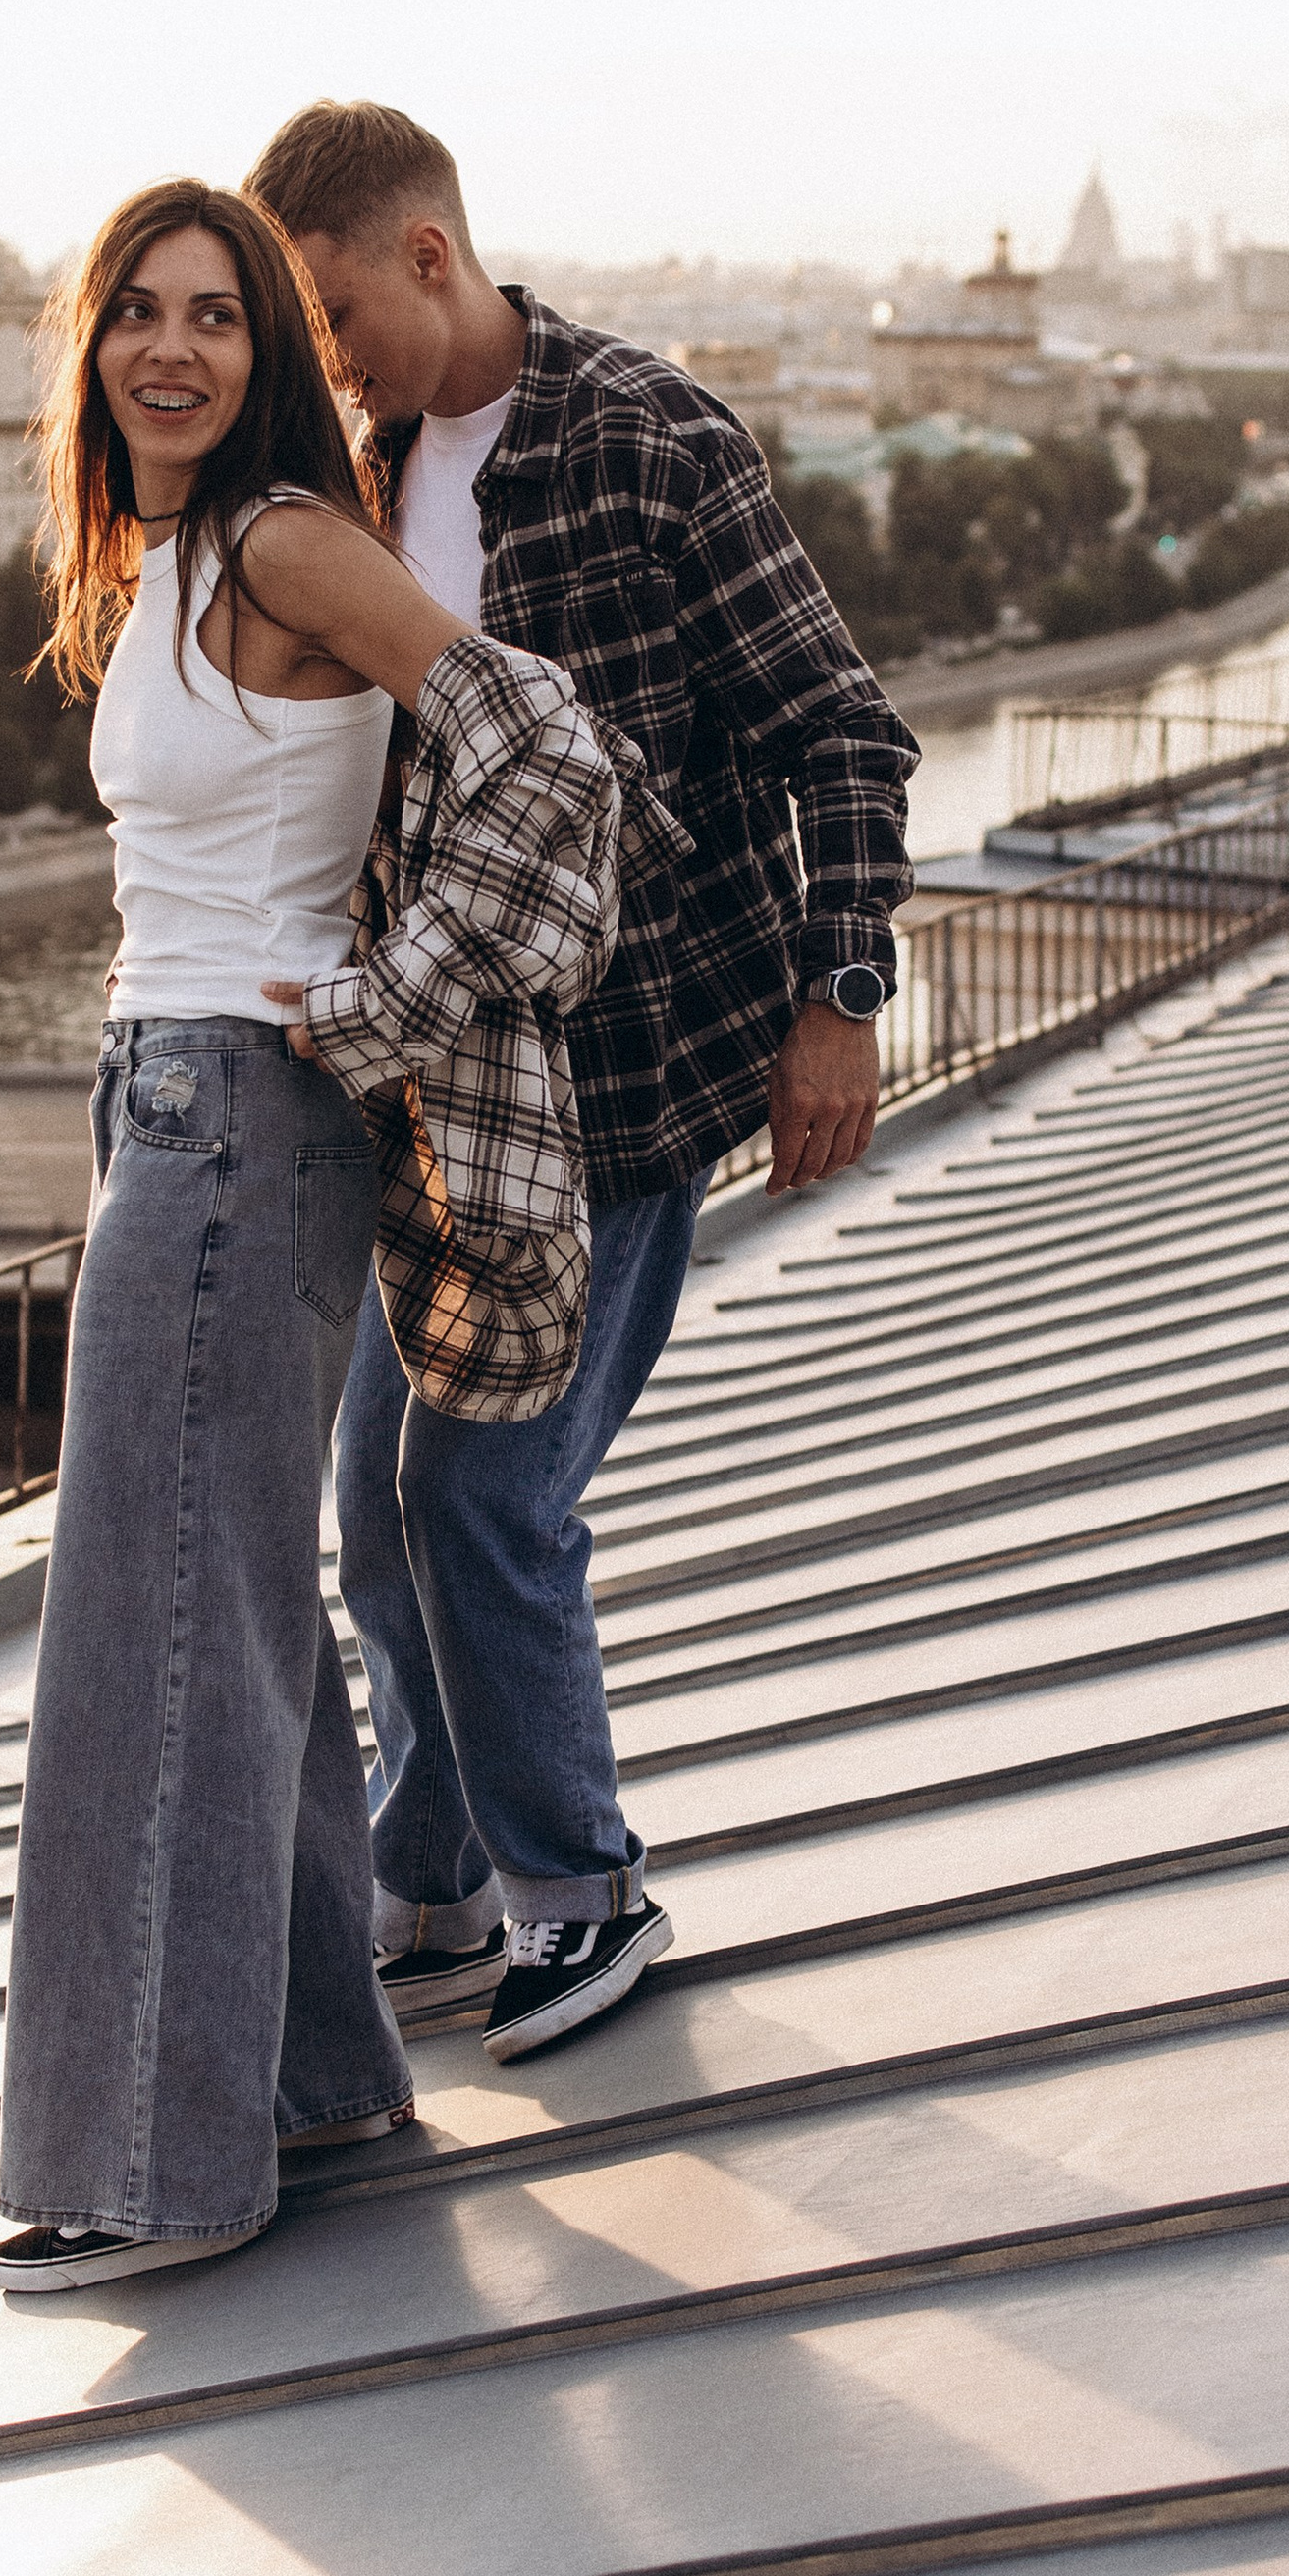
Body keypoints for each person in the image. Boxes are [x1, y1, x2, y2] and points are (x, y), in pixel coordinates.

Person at [0, 177, 622, 2295]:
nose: (169, 349)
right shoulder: (166, 556)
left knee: (146, 1635)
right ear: (90, 348)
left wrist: (379, 1004)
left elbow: (544, 748)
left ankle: (160, 2168)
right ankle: (315, 2079)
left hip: (235, 1119)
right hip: (168, 1108)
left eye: (217, 317)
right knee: (223, 1611)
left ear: (266, 345)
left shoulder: (274, 540)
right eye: (135, 315)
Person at [242, 99, 920, 2064]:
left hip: (623, 1079)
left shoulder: (643, 433)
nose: (324, 350)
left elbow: (837, 731)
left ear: (428, 255)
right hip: (442, 1102)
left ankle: (580, 1890)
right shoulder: (349, 472)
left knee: (479, 1490)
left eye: (334, 305)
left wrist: (838, 993)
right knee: (381, 1519)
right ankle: (434, 1878)